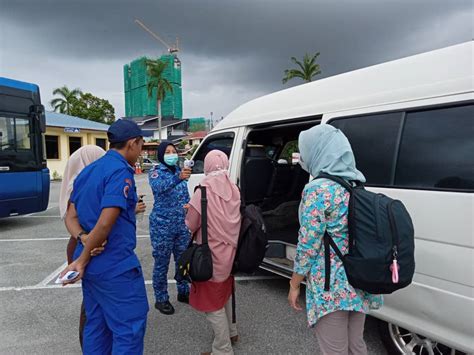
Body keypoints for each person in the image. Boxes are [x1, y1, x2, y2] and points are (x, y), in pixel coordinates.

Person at [288, 124, 383, 355]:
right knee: (356, 346)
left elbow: (308, 244)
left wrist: (294, 284)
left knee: (334, 350)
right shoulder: (357, 185)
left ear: (317, 151)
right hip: (360, 281)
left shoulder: (317, 190)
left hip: (330, 287)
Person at [60, 119, 149, 354]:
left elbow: (70, 216)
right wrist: (84, 256)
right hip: (114, 266)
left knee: (97, 325)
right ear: (132, 143)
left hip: (94, 269)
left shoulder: (88, 171)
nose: (141, 151)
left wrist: (82, 238)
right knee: (128, 328)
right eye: (141, 145)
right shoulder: (120, 172)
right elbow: (106, 221)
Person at [185, 150, 241, 355]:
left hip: (211, 255)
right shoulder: (234, 188)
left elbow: (191, 224)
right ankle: (232, 332)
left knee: (211, 305)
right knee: (224, 294)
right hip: (231, 253)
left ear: (207, 166)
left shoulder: (203, 191)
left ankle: (223, 349)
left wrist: (189, 211)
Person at [148, 141, 192, 315]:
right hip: (162, 226)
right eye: (167, 152)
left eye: (174, 151)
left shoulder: (179, 171)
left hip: (182, 225)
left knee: (183, 260)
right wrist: (178, 178)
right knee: (161, 263)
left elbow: (184, 196)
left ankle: (184, 291)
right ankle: (161, 299)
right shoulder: (156, 172)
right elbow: (159, 188)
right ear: (161, 155)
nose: (172, 154)